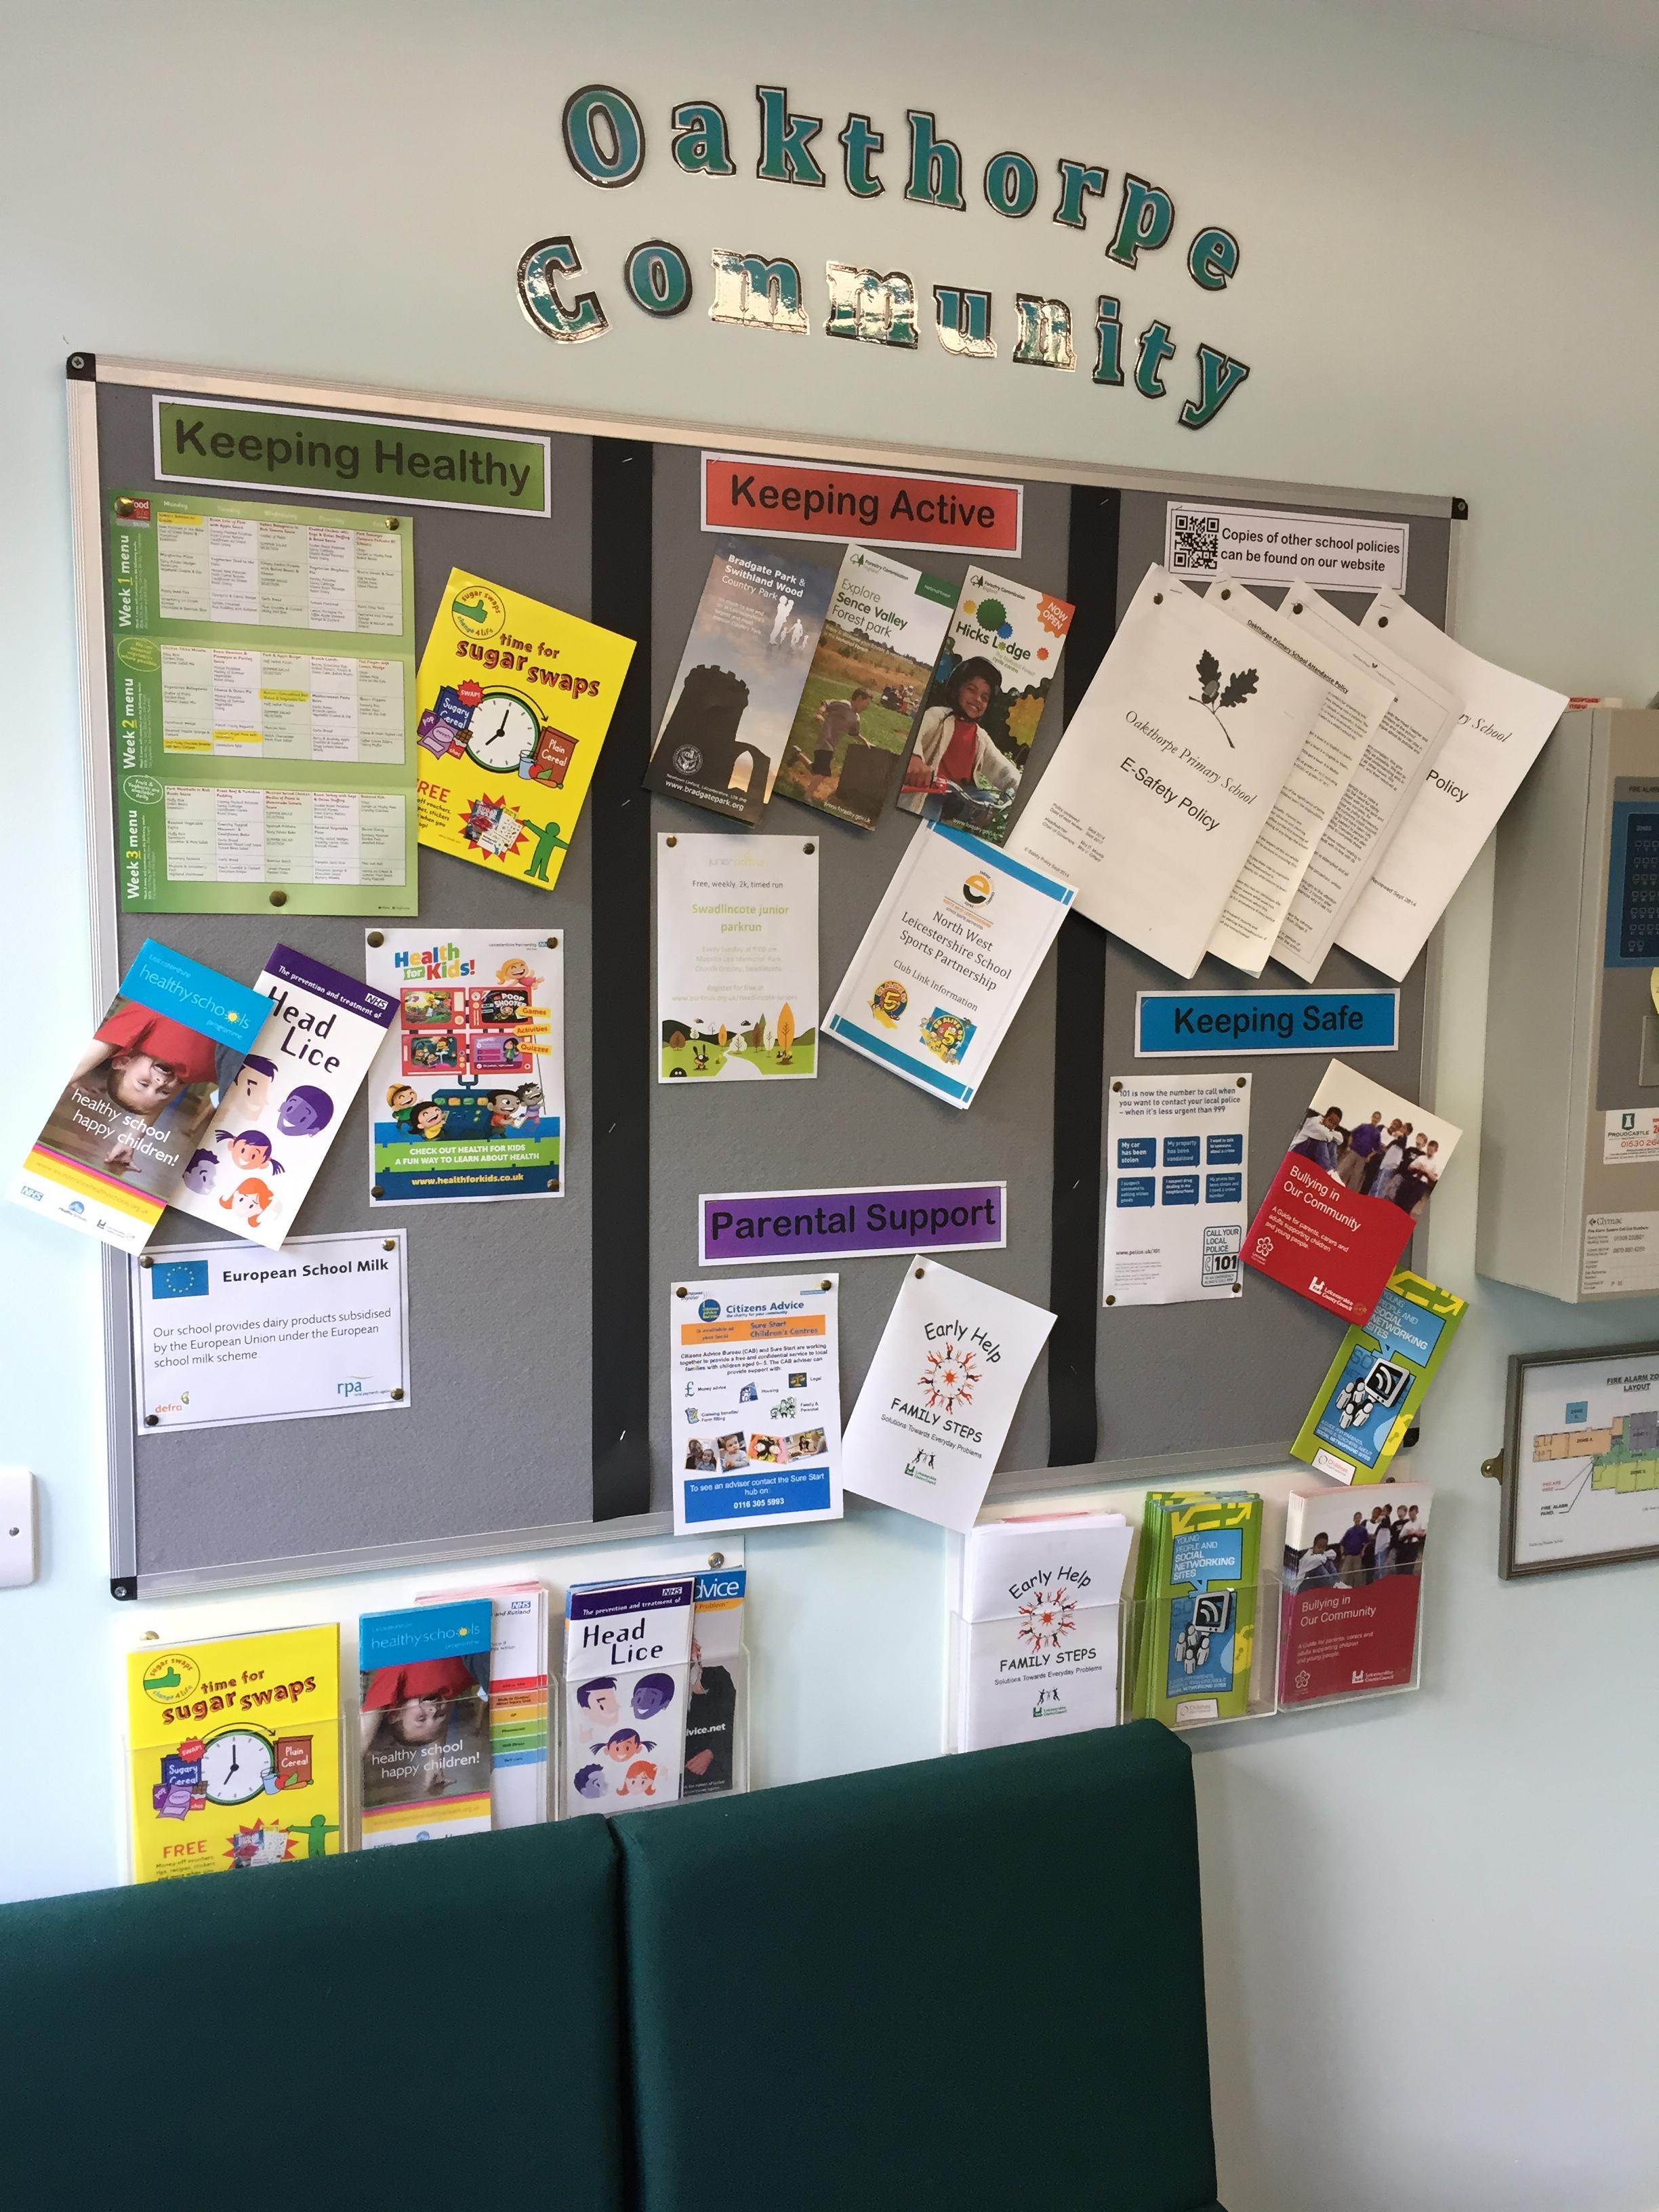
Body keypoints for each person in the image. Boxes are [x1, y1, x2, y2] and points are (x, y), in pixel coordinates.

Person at [359, 1656, 489, 1807]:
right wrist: (435, 1764)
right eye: (439, 1715)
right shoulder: (450, 1690)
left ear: (395, 1714)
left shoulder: (397, 1680)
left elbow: (363, 1737)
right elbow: (439, 1725)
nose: (433, 1711)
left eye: (421, 1718)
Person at [901, 657, 1019, 819]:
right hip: (930, 790)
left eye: (985, 698)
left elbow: (1001, 767)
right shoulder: (938, 715)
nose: (978, 699)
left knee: (988, 805)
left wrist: (1022, 788)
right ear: (957, 690)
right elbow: (917, 732)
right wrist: (915, 757)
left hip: (960, 797)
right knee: (926, 816)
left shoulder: (980, 737)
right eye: (971, 690)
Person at [683, 1638, 738, 1796]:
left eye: (696, 1645)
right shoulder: (665, 1690)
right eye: (693, 1646)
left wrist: (711, 1752)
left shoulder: (717, 1676)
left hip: (719, 1773)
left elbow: (732, 1718)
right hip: (684, 1778)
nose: (699, 1649)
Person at [807, 687, 872, 779]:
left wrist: (865, 741)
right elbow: (827, 704)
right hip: (825, 740)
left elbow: (854, 733)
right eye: (867, 703)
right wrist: (820, 713)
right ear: (859, 699)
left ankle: (798, 755)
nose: (867, 707)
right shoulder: (844, 705)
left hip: (832, 744)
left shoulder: (856, 719)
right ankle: (810, 790)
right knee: (823, 773)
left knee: (817, 770)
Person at [1336, 1109, 1385, 1189]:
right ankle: (1334, 1183)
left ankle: (1349, 1193)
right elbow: (1352, 1135)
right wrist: (1349, 1146)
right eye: (1374, 1117)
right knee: (1344, 1169)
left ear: (1379, 1120)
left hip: (1363, 1157)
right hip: (1354, 1152)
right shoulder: (1363, 1126)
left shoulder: (1377, 1134)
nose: (1375, 1119)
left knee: (1356, 1176)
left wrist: (1369, 1156)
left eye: (1377, 1118)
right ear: (1372, 1117)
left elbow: (1377, 1149)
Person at [1293, 1105, 1345, 1175]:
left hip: (1310, 1157)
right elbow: (1324, 1134)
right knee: (1321, 1140)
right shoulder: (1313, 1122)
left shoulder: (1328, 1130)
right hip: (1297, 1152)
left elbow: (1340, 1139)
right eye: (1330, 1121)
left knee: (1333, 1143)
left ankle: (1333, 1171)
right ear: (1325, 1117)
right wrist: (1328, 1134)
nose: (1331, 1125)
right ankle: (1327, 1170)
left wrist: (1328, 1133)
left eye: (1334, 1125)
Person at [1338, 1511, 1371, 1586]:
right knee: (1345, 1572)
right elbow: (1342, 1543)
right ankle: (1343, 1587)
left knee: (1357, 1573)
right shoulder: (1350, 1531)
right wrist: (1342, 1554)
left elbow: (1367, 1542)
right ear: (1354, 1519)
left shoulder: (1363, 1530)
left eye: (1359, 1518)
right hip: (1348, 1555)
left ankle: (1358, 1589)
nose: (1357, 1519)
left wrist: (1363, 1551)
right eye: (1356, 1518)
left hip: (1357, 1555)